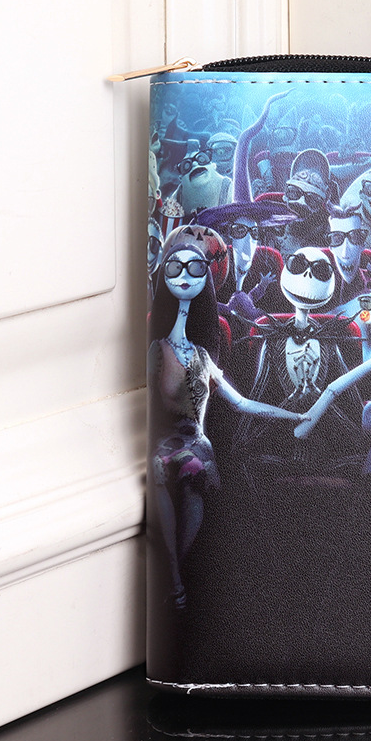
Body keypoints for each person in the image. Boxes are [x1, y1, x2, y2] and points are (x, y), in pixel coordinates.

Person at [148, 225, 306, 608]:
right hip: (163, 443)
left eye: (196, 269)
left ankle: (176, 573)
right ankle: (174, 577)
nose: (185, 278)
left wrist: (293, 414)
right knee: (170, 470)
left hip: (196, 445)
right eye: (176, 269)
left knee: (193, 474)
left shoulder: (204, 354)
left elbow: (242, 403)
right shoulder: (156, 349)